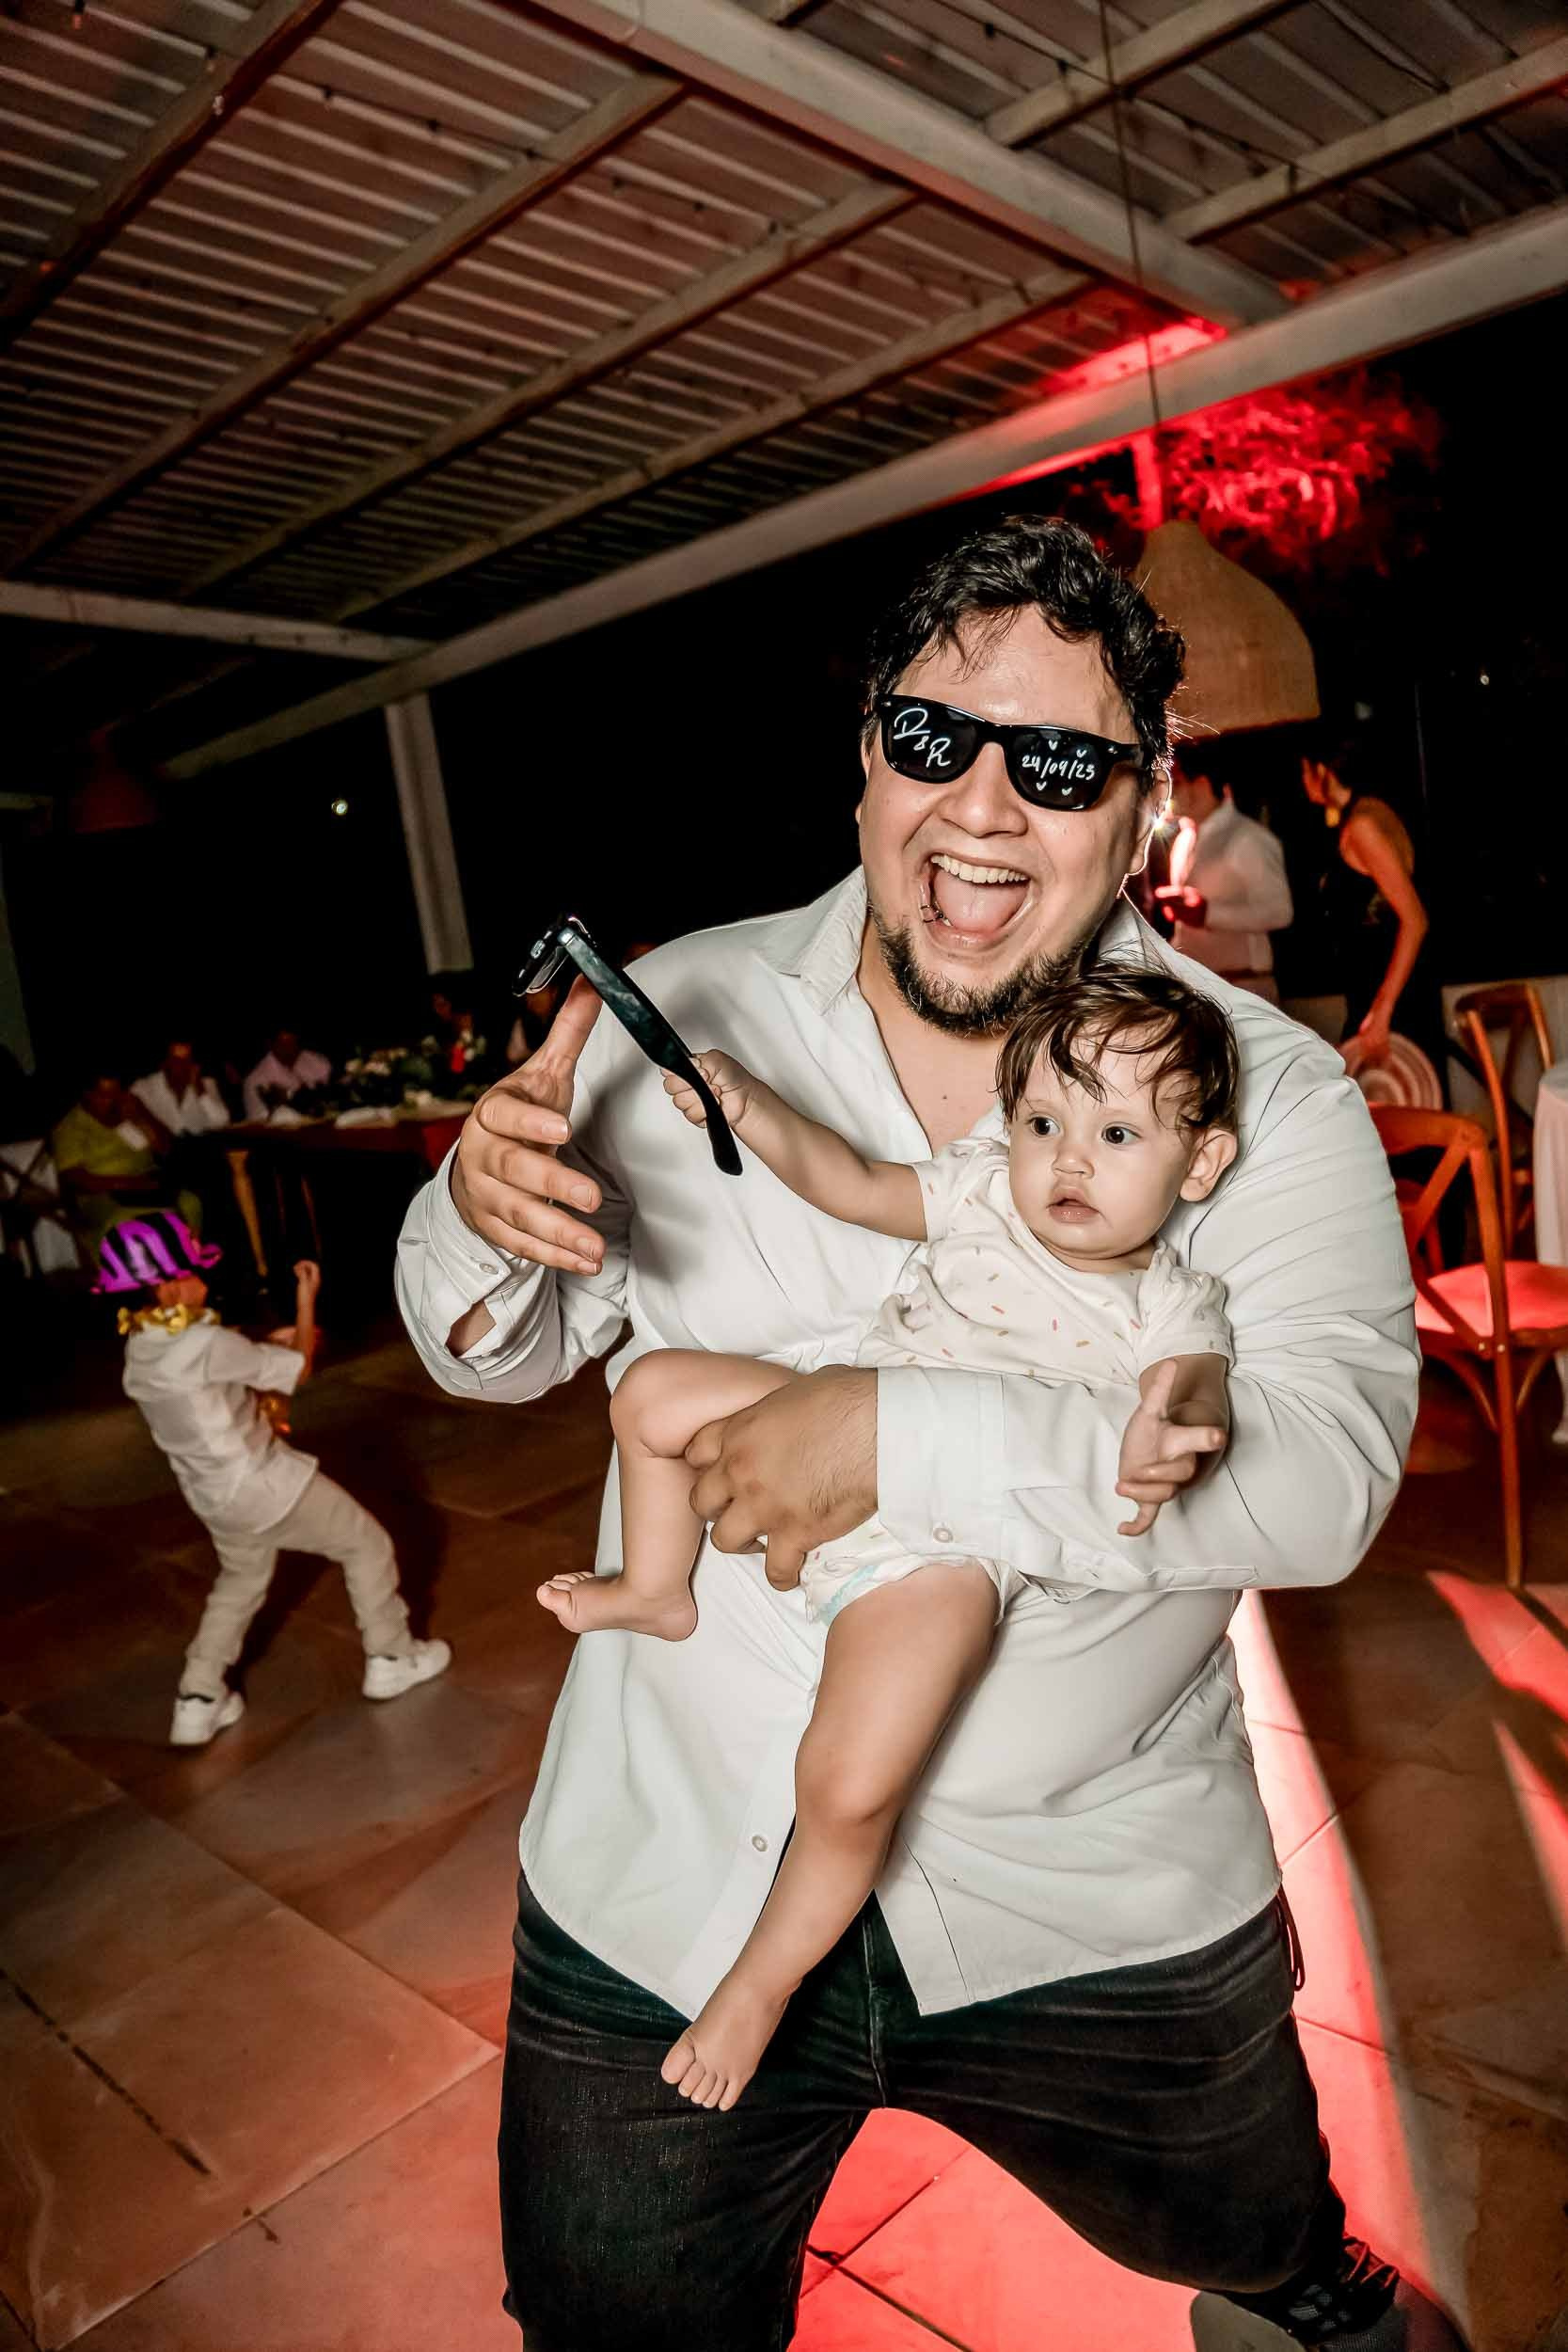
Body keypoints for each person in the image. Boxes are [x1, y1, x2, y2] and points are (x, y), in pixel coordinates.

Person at [397, 518, 1464, 2352]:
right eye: (931, 736)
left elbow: (1322, 1480)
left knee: (1255, 2227)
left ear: (1141, 805)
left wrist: (897, 1437)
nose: (979, 804)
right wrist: (481, 1214)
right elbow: (492, 1349)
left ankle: (1300, 2274)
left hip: (1095, 1884)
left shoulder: (1260, 1094)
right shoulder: (688, 1007)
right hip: (671, 1874)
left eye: (1053, 761)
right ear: (865, 756)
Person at [539, 969, 1238, 2111]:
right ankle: (658, 1588)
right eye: (1042, 1124)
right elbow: (854, 1183)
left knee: (852, 1781)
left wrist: (1177, 1425)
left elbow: (1192, 1379)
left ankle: (759, 1982)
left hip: (945, 1546)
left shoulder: (1166, 1298)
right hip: (824, 1418)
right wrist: (752, 1108)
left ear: (1197, 1162)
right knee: (650, 1388)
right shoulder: (984, 1193)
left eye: (1114, 1134)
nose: (1066, 1162)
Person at [103, 1212, 451, 1747]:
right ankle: (391, 1656)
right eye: (194, 1271)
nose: (203, 1279)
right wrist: (306, 1300)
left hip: (212, 1498)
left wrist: (264, 1343)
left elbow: (214, 1369)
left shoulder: (141, 1350)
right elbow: (297, 1368)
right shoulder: (205, 1343)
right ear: (169, 1286)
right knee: (367, 1545)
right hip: (264, 1486)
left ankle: (197, 1698)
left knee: (239, 1583)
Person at [1301, 751, 1432, 1070]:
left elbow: (1415, 920)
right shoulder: (1368, 813)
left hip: (1386, 996)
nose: (1302, 781)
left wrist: (1382, 1009)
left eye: (1304, 771)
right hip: (1377, 991)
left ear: (1322, 770)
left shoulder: (1363, 825)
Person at [1156, 739, 1294, 1002]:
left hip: (1245, 989)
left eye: (1177, 782)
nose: (1169, 792)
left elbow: (1280, 911)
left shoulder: (1246, 837)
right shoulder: (1184, 841)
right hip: (1198, 992)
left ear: (1201, 784)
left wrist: (1208, 913)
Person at [52, 1069, 199, 1253]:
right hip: (104, 1195)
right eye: (104, 1095)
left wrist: (142, 1116)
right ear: (87, 1094)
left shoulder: (128, 1111)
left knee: (190, 1202)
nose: (113, 1101)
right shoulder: (72, 1127)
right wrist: (130, 1183)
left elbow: (166, 1148)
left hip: (149, 1184)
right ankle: (151, 1266)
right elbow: (76, 1179)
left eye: (117, 1093)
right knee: (138, 1218)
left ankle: (186, 1259)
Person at [133, 1040, 231, 1136]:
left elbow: (222, 1121)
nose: (184, 1067)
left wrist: (201, 1092)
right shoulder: (145, 1087)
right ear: (164, 1064)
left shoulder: (205, 1084)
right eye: (177, 1061)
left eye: (188, 1061)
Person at [243, 1027, 332, 1122]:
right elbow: (261, 1122)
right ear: (270, 1045)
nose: (290, 1049)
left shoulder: (315, 1062)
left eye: (294, 1044)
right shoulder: (256, 1080)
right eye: (283, 1044)